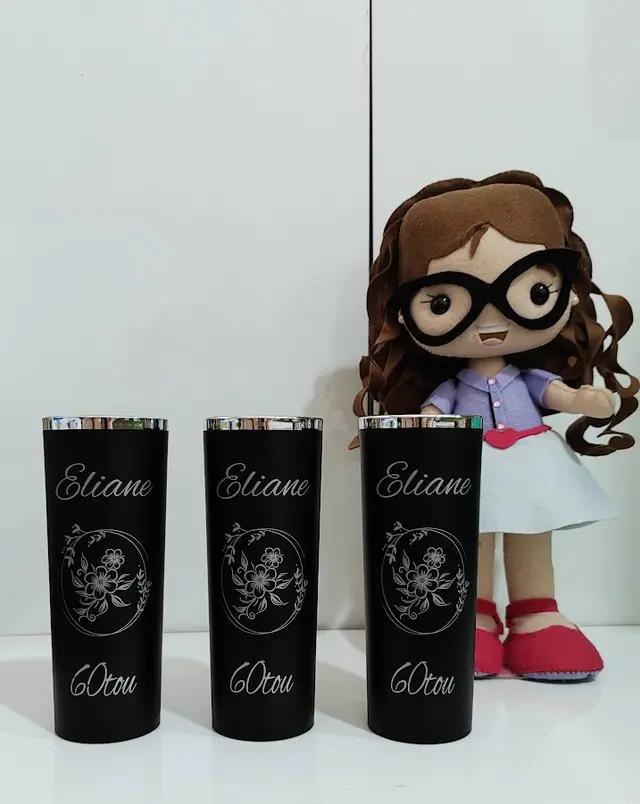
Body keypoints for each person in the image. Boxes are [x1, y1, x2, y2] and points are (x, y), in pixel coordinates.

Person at [354, 172, 638, 680]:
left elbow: (557, 393)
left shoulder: (527, 377)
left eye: (532, 290)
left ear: (566, 294)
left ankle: (537, 614)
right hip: (467, 467)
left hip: (531, 464)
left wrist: (584, 399)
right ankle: (473, 614)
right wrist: (418, 431)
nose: (489, 322)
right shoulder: (451, 386)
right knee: (472, 537)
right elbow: (431, 414)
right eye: (444, 303)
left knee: (532, 535)